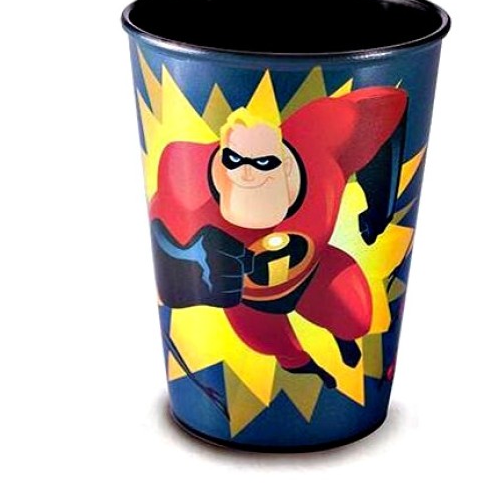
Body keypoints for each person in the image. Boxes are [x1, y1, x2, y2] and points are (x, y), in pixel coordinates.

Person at [150, 86, 407, 388]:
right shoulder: (187, 177)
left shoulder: (324, 134)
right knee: (275, 346)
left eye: (262, 163)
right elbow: (162, 233)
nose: (247, 174)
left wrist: (378, 209)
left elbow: (387, 106)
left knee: (357, 318)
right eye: (234, 161)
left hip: (317, 273)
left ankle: (343, 339)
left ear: (284, 162)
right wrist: (189, 259)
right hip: (249, 302)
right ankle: (308, 365)